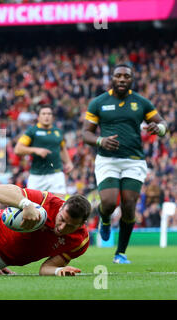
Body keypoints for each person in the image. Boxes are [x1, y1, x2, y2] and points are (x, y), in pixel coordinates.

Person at [83, 63, 168, 264]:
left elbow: (163, 123)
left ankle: (120, 253)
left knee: (129, 206)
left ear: (131, 80)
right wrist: (100, 141)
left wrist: (160, 128)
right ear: (112, 78)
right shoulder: (98, 102)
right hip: (107, 160)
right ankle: (104, 219)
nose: (122, 79)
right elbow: (86, 133)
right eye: (118, 76)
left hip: (134, 161)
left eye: (126, 77)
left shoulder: (141, 102)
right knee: (110, 203)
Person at [14, 105, 73, 195]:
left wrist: (68, 162)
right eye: (44, 114)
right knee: (33, 206)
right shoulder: (32, 132)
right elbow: (18, 149)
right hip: (37, 175)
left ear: (52, 117)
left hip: (56, 174)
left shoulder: (58, 132)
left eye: (49, 114)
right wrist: (36, 150)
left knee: (59, 204)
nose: (47, 116)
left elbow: (62, 149)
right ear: (38, 117)